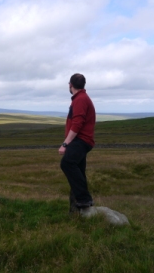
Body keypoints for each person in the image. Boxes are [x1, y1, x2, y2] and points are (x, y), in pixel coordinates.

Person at [59, 73, 96, 212]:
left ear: (71, 85)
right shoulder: (81, 98)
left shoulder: (80, 99)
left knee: (67, 163)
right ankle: (80, 208)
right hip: (82, 140)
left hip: (80, 140)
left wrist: (65, 144)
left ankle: (84, 199)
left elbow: (77, 124)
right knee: (79, 170)